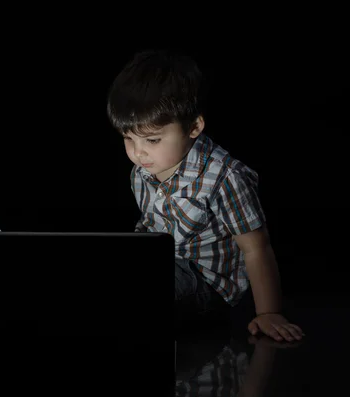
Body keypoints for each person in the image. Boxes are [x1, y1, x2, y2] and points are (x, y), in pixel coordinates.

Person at [106, 49, 303, 342]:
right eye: (128, 139)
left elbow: (256, 248)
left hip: (208, 285)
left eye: (152, 140)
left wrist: (268, 312)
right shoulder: (143, 170)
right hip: (167, 265)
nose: (138, 152)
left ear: (194, 127)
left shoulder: (223, 178)